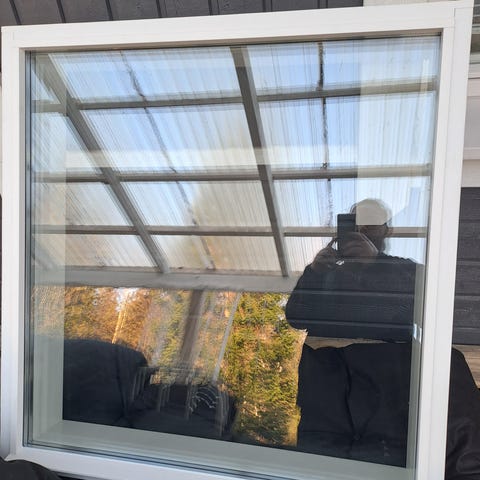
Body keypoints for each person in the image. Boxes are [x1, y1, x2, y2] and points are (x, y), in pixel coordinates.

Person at [285, 198, 418, 342]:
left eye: (371, 221)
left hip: (381, 355)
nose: (362, 227)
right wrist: (313, 273)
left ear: (387, 230)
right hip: (328, 356)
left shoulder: (405, 269)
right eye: (355, 222)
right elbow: (295, 318)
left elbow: (413, 311)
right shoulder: (326, 271)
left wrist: (376, 261)